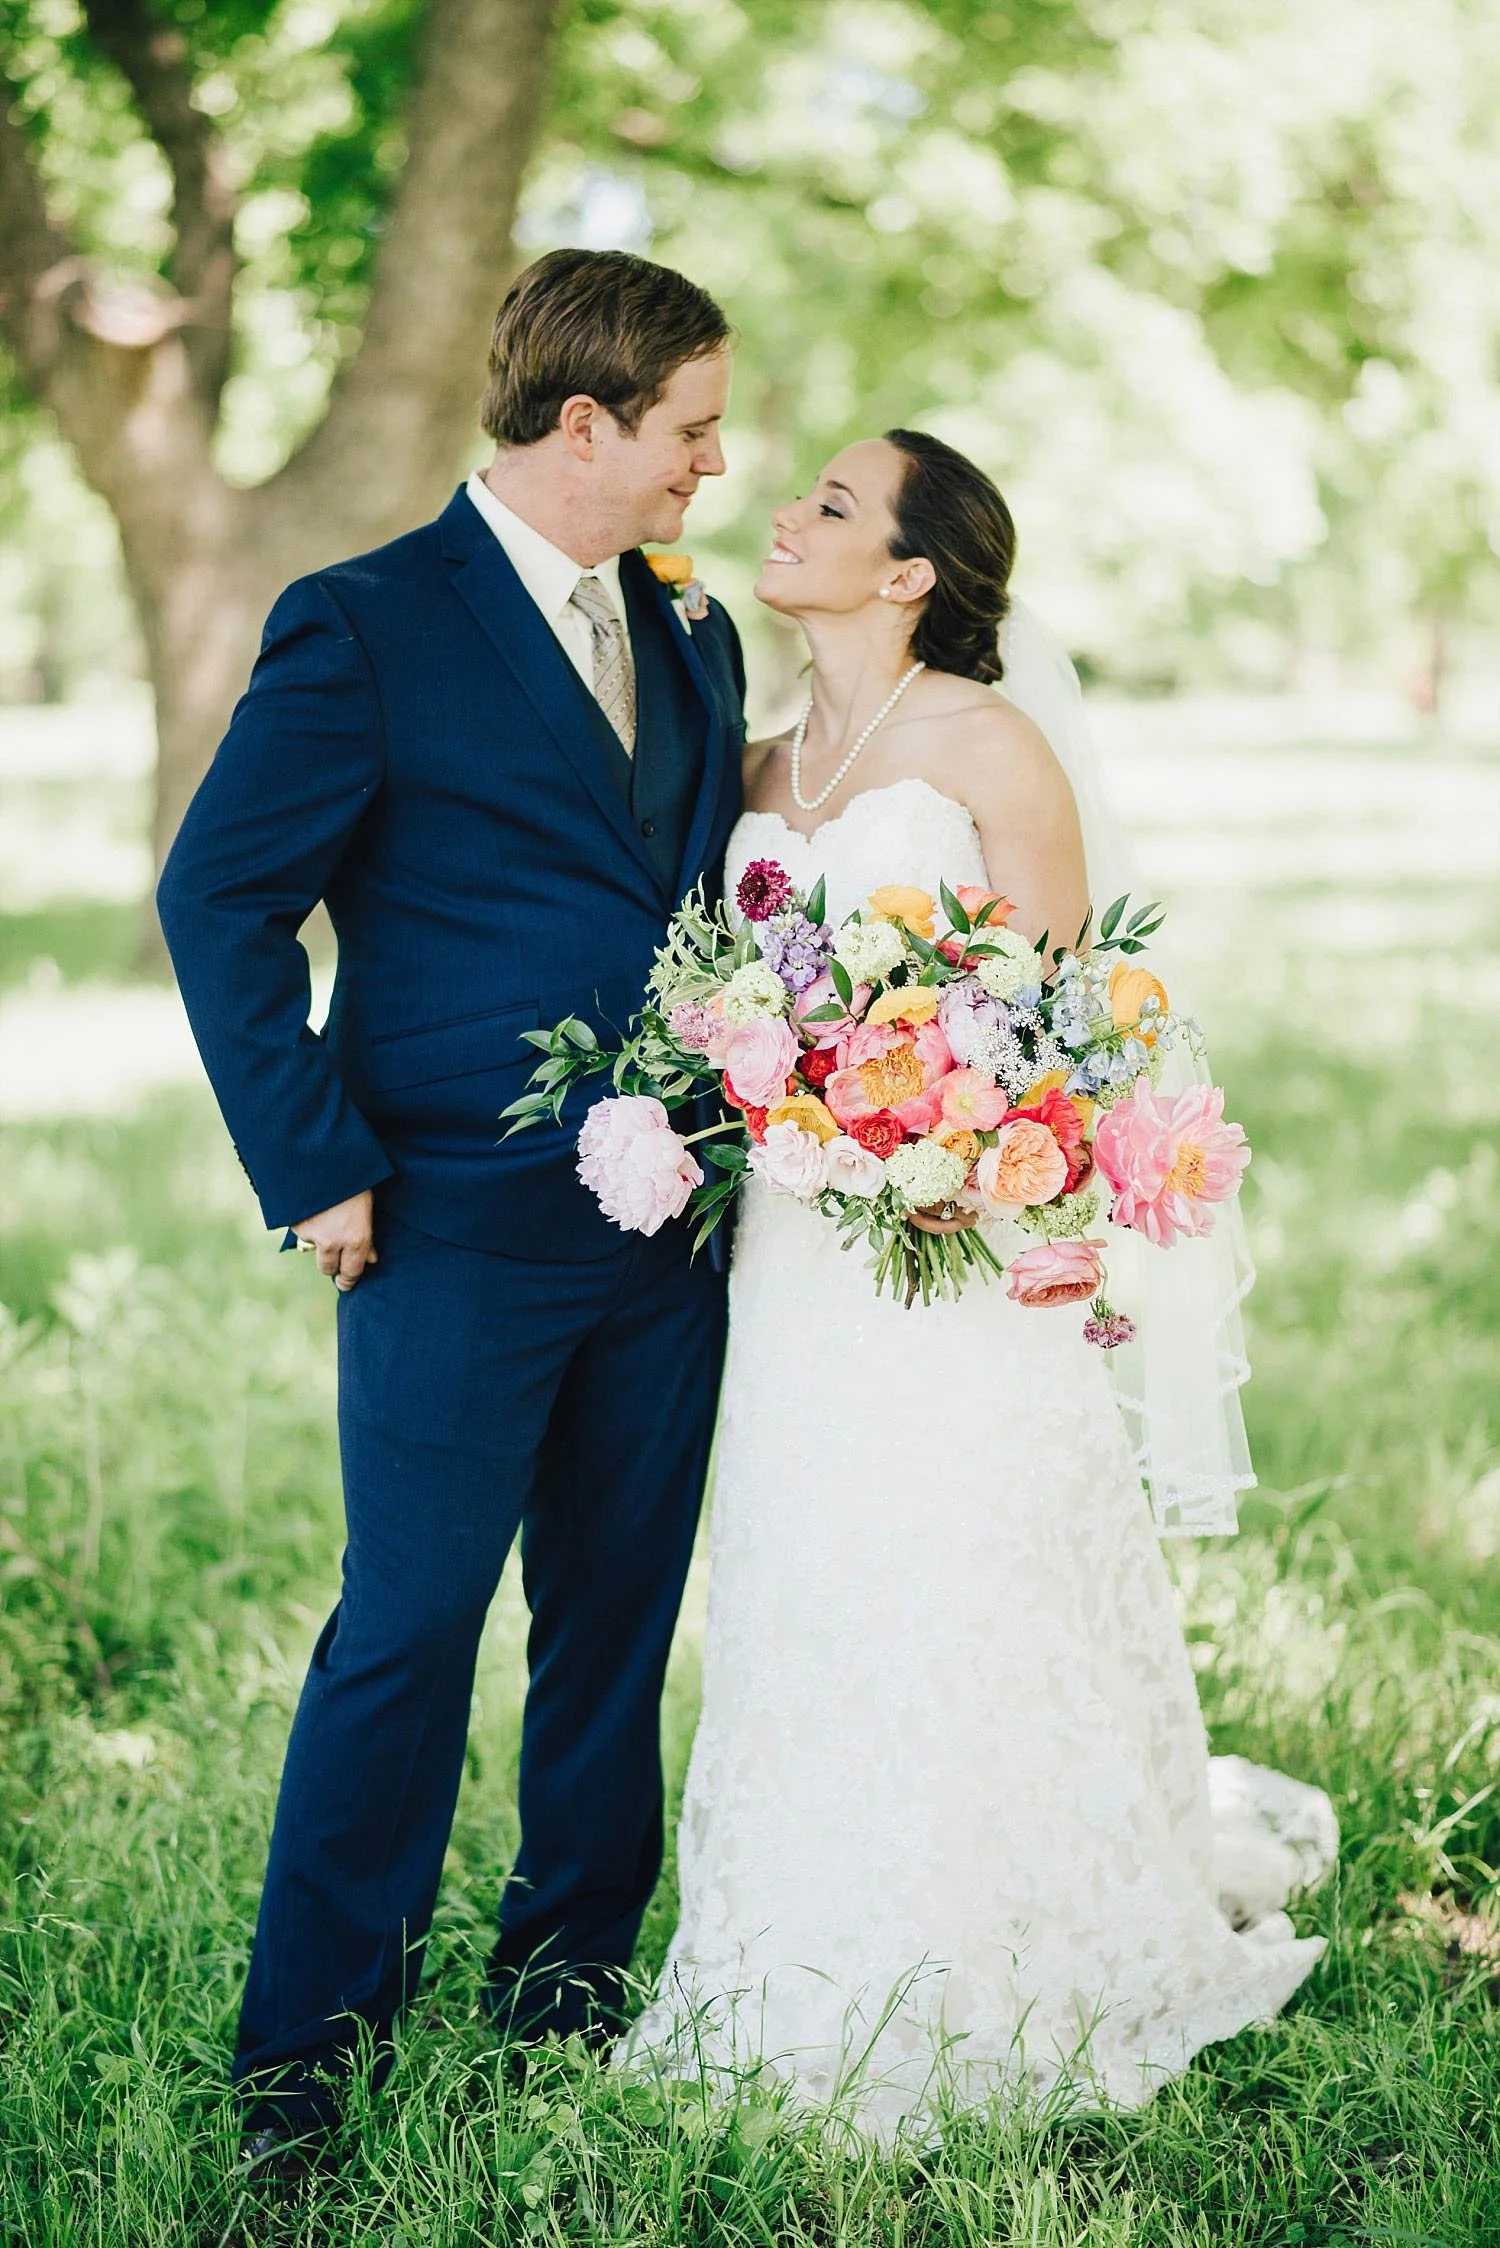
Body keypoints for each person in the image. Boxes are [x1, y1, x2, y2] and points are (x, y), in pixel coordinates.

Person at [624, 429, 1336, 2136]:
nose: (783, 512)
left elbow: (1077, 1017)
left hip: (966, 1242)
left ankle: (1022, 1936)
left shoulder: (993, 745)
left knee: (971, 1561)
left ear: (910, 574)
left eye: (831, 505)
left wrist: (1001, 1162)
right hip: (801, 1253)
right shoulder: (758, 755)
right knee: (811, 1571)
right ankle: (802, 1938)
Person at [156, 248, 746, 2169]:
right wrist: (313, 1156)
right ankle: (302, 2073)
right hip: (443, 1219)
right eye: (689, 430)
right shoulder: (369, 621)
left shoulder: (694, 631)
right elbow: (219, 901)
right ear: (586, 425)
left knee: (614, 1625)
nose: (711, 468)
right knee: (407, 1630)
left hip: (669, 1231)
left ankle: (566, 1994)